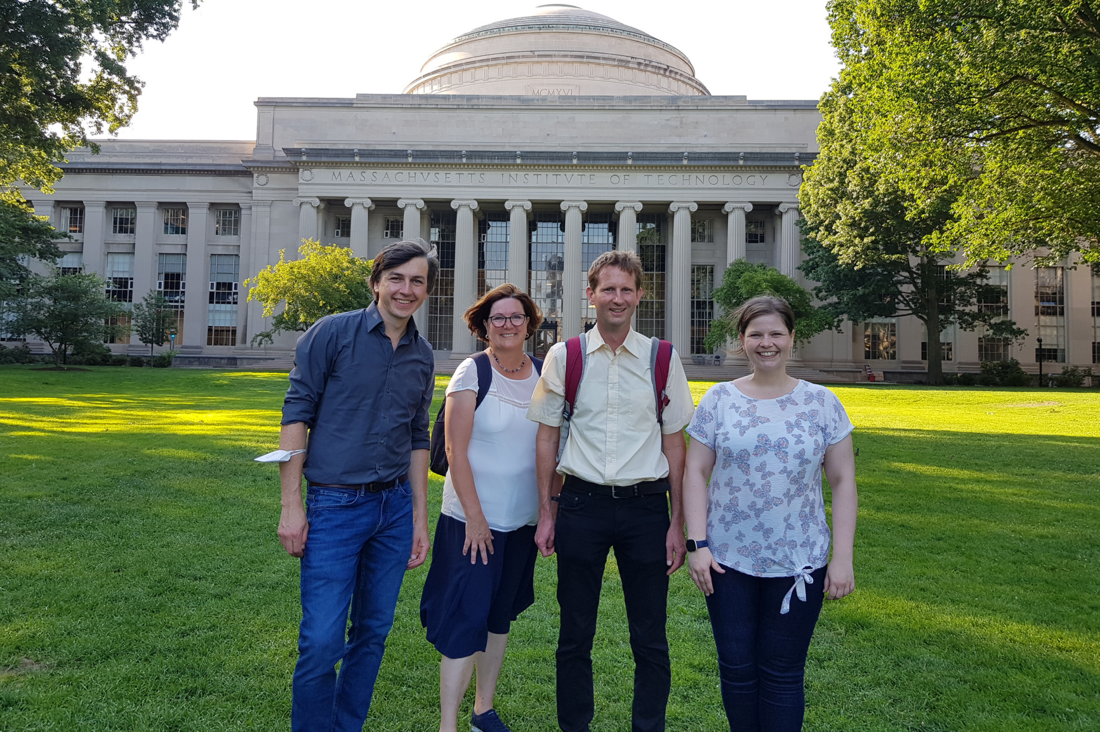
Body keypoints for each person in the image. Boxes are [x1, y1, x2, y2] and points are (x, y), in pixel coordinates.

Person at [526, 250, 695, 732]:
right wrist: (547, 512)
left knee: (650, 637)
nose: (617, 299)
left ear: (640, 295)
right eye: (608, 289)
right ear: (591, 294)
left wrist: (676, 523)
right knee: (575, 634)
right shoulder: (565, 356)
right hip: (581, 505)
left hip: (646, 511)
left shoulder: (662, 357)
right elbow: (547, 438)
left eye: (626, 290)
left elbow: (675, 444)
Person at [277, 240, 437, 732]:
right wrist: (291, 505)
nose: (405, 290)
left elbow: (417, 435)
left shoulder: (423, 354)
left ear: (427, 291)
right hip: (333, 505)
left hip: (393, 508)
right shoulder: (332, 333)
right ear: (376, 282)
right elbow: (296, 413)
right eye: (397, 278)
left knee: (371, 633)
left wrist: (417, 518)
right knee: (322, 640)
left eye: (417, 281)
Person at [682, 295, 858, 732]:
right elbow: (695, 472)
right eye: (756, 334)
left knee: (782, 675)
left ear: (791, 337)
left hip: (799, 562)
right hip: (727, 561)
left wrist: (842, 558)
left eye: (776, 333)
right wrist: (698, 545)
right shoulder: (719, 399)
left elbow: (843, 482)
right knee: (737, 670)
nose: (767, 343)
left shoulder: (822, 404)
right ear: (742, 341)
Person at [420, 284, 548, 732]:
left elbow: (551, 449)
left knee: (498, 618)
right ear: (484, 326)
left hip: (521, 523)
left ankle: (483, 711)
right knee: (463, 620)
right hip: (472, 524)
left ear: (530, 324)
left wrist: (548, 512)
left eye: (517, 317)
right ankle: (448, 725)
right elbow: (455, 451)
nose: (508, 324)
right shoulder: (472, 372)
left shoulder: (544, 375)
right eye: (499, 318)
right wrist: (475, 520)